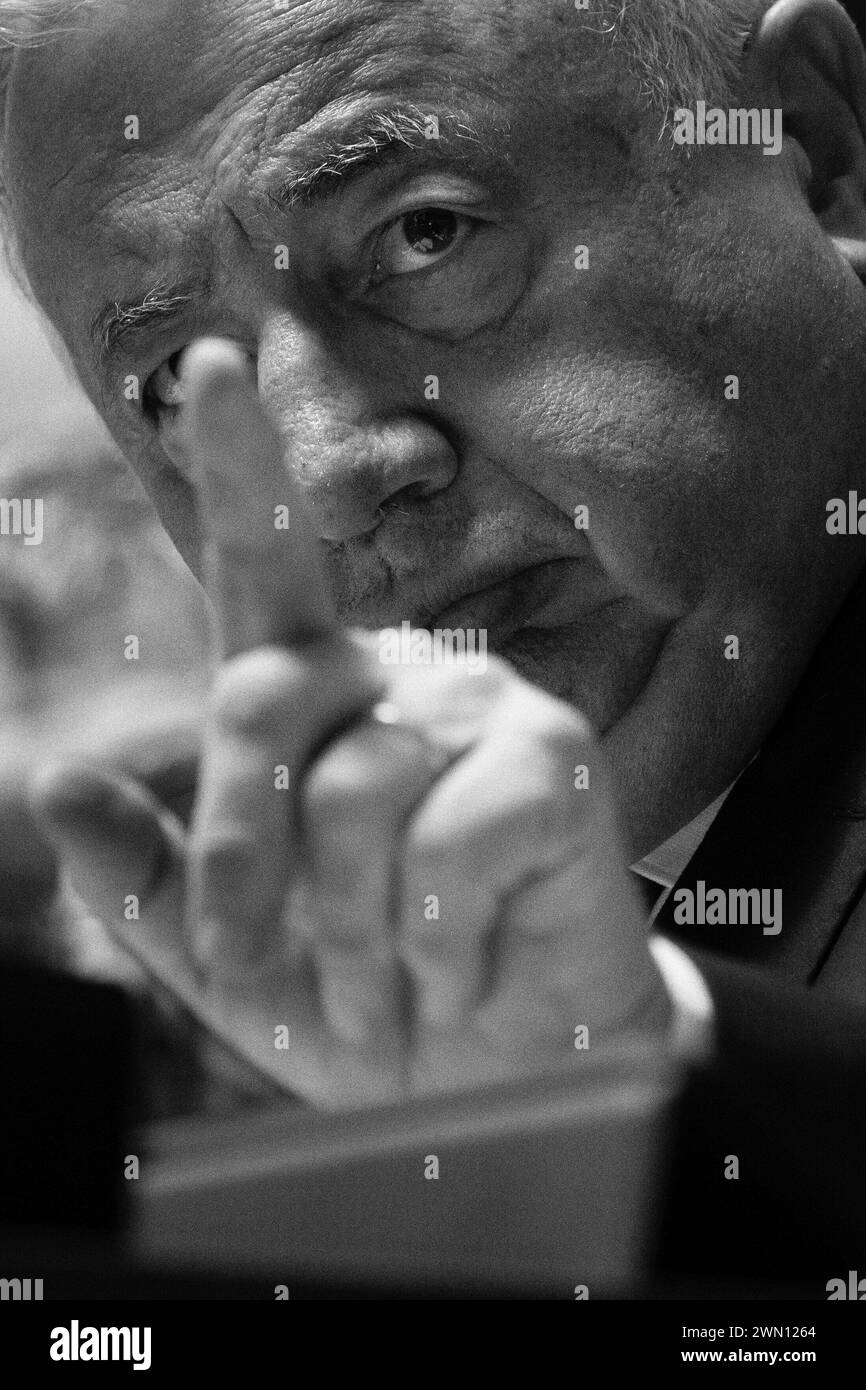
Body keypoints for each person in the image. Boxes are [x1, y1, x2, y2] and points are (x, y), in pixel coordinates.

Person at [2, 0, 866, 1287]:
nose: (326, 474)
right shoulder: (268, 1018)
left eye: (423, 234)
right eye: (177, 374)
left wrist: (630, 1073)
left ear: (805, 138)